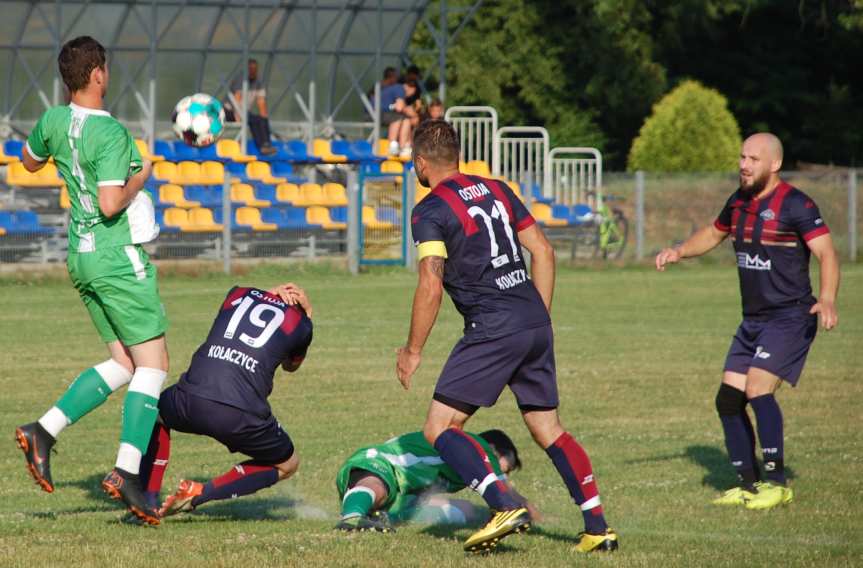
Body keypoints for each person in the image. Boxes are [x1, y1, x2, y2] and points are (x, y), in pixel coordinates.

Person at [395, 120, 618, 553]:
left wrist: (413, 349)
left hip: (492, 324)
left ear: (421, 163)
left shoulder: (429, 210)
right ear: (456, 156)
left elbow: (430, 282)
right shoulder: (498, 188)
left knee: (440, 426)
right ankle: (597, 528)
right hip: (532, 318)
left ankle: (501, 503)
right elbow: (544, 251)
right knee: (547, 427)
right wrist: (538, 318)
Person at [14, 36, 169, 524]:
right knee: (154, 366)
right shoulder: (113, 132)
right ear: (98, 73)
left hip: (79, 257)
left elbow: (29, 160)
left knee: (123, 362)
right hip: (115, 257)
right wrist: (141, 176)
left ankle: (44, 429)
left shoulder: (52, 120)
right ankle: (126, 472)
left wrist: (58, 156)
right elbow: (109, 203)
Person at [656, 132, 840, 510]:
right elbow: (713, 232)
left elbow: (827, 253)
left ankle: (777, 481)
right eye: (742, 157)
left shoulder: (797, 205)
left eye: (753, 159)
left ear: (774, 164)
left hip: (790, 316)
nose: (743, 164)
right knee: (728, 399)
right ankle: (748, 483)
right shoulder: (738, 202)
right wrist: (679, 251)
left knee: (758, 388)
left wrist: (827, 299)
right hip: (753, 319)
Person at [140, 283, 313, 518]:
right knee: (288, 464)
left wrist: (267, 293)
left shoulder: (237, 292)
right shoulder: (301, 325)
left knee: (151, 413)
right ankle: (200, 493)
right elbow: (291, 366)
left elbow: (247, 304)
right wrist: (308, 316)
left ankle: (147, 500)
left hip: (190, 398)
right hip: (240, 414)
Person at [335, 429, 536, 532]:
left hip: (401, 489)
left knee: (463, 509)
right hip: (380, 463)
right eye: (505, 466)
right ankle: (351, 518)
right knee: (377, 485)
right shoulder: (479, 449)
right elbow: (509, 497)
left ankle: (379, 519)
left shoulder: (461, 471)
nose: (503, 475)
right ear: (492, 449)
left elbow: (427, 496)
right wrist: (534, 516)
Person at [224, 59, 276, 155]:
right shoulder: (240, 80)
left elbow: (262, 104)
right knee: (252, 120)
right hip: (230, 111)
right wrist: (240, 124)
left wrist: (264, 120)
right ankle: (259, 145)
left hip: (244, 112)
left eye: (254, 69)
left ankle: (266, 144)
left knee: (260, 119)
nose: (252, 71)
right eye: (250, 69)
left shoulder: (258, 82)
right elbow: (236, 103)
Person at [379, 79, 419, 159]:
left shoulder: (397, 88)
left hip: (383, 113)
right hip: (375, 113)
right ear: (412, 88)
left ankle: (403, 147)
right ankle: (393, 145)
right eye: (412, 93)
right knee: (398, 118)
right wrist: (413, 114)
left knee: (406, 120)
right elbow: (400, 108)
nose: (410, 96)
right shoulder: (400, 89)